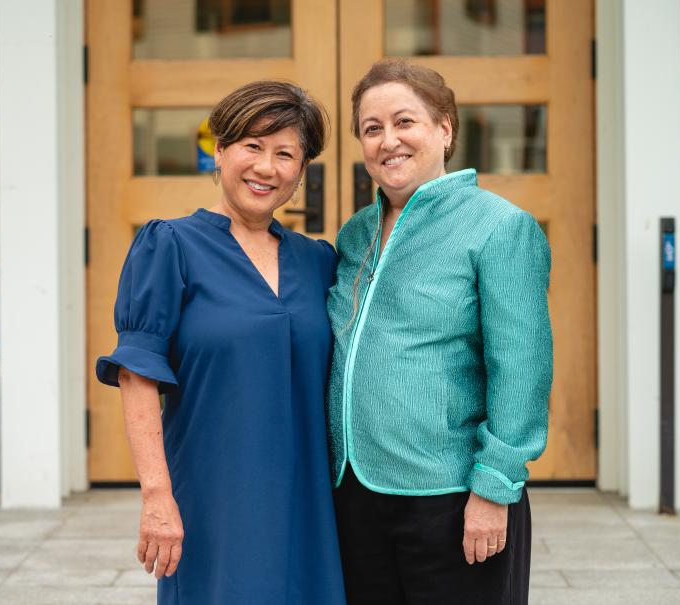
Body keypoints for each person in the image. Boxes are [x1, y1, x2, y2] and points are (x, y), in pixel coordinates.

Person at [96, 81, 346, 605]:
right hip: (214, 499)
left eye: (286, 155)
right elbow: (137, 374)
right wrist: (157, 497)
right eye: (253, 146)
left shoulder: (318, 261)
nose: (266, 167)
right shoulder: (170, 246)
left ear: (301, 174)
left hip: (311, 504)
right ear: (220, 151)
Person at [327, 58, 552, 604]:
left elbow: (521, 370)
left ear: (445, 128)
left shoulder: (499, 227)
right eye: (372, 128)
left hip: (453, 497)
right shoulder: (355, 234)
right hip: (355, 495)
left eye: (405, 122)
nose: (388, 141)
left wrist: (494, 489)